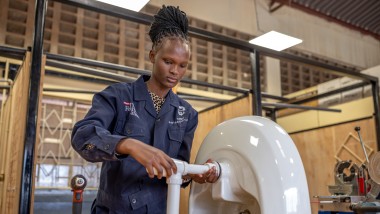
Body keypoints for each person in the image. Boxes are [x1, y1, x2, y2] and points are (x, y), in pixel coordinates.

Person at [71, 5, 218, 214]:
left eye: (183, 65)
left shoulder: (187, 114)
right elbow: (82, 136)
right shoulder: (118, 96)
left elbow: (178, 169)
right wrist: (127, 144)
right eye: (168, 62)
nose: (175, 71)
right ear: (152, 56)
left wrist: (194, 173)